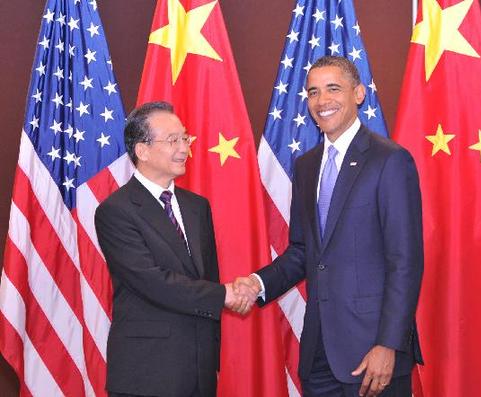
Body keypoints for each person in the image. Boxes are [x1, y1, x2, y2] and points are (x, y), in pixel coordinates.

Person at [234, 56, 424, 397]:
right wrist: (257, 283)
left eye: (333, 89)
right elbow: (304, 252)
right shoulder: (306, 166)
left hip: (373, 353)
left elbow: (405, 261)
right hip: (319, 353)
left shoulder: (390, 160)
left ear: (359, 93)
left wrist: (388, 344)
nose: (322, 101)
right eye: (313, 92)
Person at [95, 101, 254, 397]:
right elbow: (152, 282)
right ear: (142, 151)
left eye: (186, 138)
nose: (184, 148)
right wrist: (226, 294)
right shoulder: (116, 211)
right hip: (148, 375)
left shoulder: (197, 206)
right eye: (173, 140)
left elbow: (205, 276)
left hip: (199, 371)